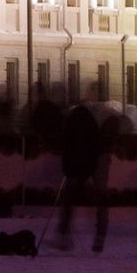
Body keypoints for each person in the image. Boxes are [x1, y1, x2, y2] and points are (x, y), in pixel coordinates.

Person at [53, 90, 113, 253]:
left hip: (83, 158)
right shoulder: (102, 113)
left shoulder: (73, 119)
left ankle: (64, 235)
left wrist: (69, 169)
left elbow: (67, 146)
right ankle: (100, 237)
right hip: (97, 156)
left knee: (69, 194)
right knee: (100, 196)